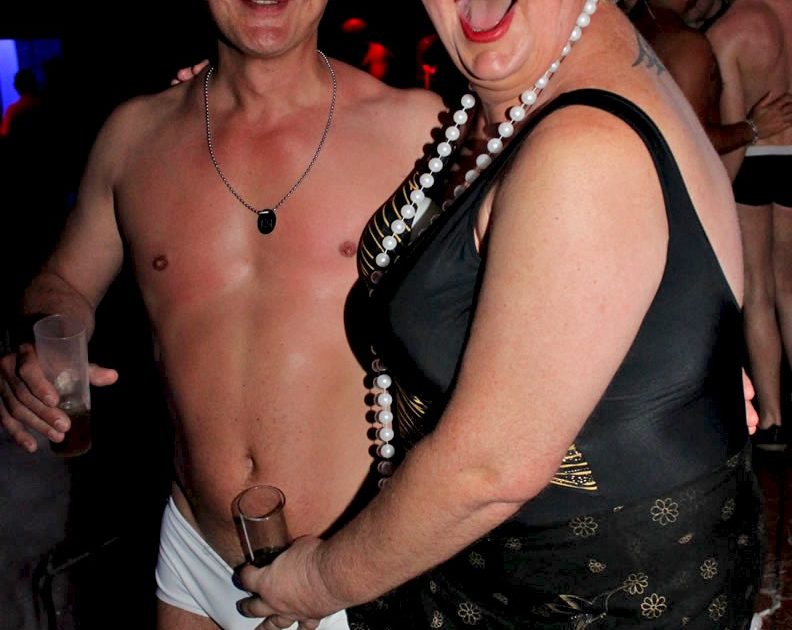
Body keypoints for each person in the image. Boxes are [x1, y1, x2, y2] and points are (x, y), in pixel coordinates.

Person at [227, 0, 764, 628]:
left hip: (590, 599)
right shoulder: (550, 92)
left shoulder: (584, 149)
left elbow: (489, 469)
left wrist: (319, 580)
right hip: (525, 575)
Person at [0, 1, 443, 629]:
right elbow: (64, 280)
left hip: (344, 573)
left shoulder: (418, 131)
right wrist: (40, 341)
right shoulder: (134, 136)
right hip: (192, 557)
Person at [708, 0, 792, 451]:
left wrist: (714, 194)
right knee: (790, 284)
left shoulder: (732, 30)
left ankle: (774, 417)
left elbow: (739, 127)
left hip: (756, 160)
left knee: (758, 287)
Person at [624, 0, 792, 155]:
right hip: (687, 166)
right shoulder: (689, 43)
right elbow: (692, 139)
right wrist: (752, 129)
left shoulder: (626, 30)